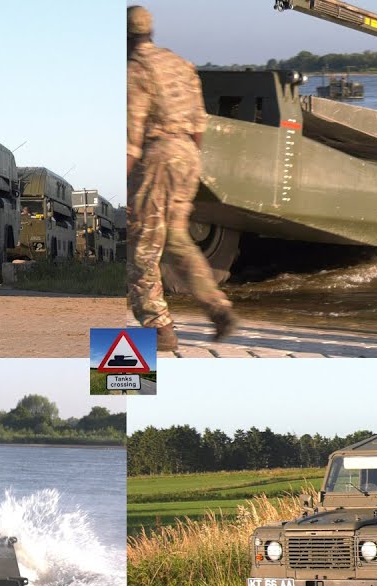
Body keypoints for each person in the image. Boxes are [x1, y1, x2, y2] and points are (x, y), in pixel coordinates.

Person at [127, 5, 238, 351]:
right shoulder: (180, 63)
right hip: (188, 156)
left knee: (142, 248)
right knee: (176, 238)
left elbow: (131, 140)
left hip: (158, 157)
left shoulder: (136, 70)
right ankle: (217, 306)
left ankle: (159, 328)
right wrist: (190, 160)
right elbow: (201, 123)